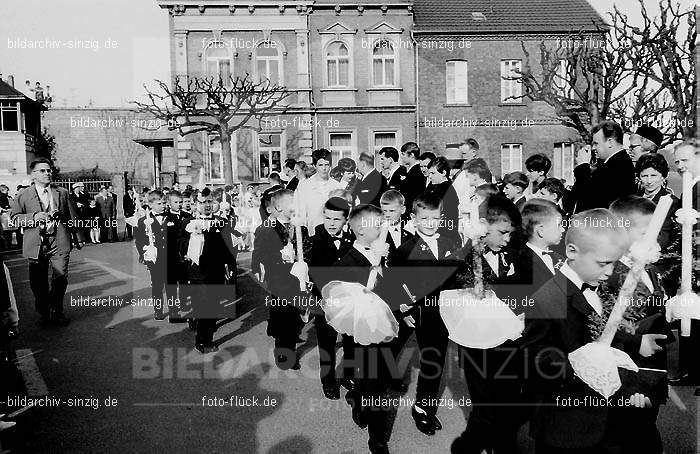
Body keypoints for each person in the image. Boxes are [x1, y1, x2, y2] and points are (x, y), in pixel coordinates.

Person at [520, 208, 653, 453]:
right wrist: (581, 367)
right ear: (572, 251)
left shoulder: (596, 285)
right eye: (603, 263)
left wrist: (635, 341)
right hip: (565, 421)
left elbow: (598, 333)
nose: (610, 272)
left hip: (601, 416)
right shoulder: (547, 298)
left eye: (614, 263)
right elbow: (534, 357)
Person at [450, 194, 523, 454]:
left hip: (510, 341)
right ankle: (469, 446)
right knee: (485, 403)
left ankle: (502, 443)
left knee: (508, 400)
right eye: (502, 232)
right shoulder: (463, 259)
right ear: (482, 225)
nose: (507, 239)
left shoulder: (513, 254)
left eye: (511, 234)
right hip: (478, 347)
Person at [388, 193, 463, 437]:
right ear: (414, 219)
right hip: (415, 312)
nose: (430, 223)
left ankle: (423, 407)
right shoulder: (404, 250)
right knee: (391, 349)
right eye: (424, 218)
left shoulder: (450, 243)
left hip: (441, 313)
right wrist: (403, 308)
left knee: (434, 362)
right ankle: (369, 389)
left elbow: (457, 278)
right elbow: (393, 283)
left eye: (435, 218)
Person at [605, 196, 673, 454]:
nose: (653, 239)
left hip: (652, 369)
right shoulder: (609, 273)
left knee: (644, 428)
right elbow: (603, 323)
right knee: (629, 435)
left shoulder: (647, 266)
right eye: (646, 232)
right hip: (627, 371)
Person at [333, 204, 397, 454]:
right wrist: (375, 265)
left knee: (377, 380)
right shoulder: (347, 262)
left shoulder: (383, 254)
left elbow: (392, 287)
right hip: (361, 333)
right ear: (360, 229)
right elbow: (350, 296)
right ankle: (378, 439)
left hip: (385, 328)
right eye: (377, 224)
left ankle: (359, 398)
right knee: (374, 384)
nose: (383, 228)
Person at [10, 158, 80, 327]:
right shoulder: (23, 195)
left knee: (60, 277)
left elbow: (72, 217)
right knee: (37, 282)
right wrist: (33, 217)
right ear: (33, 174)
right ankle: (44, 312)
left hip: (59, 241)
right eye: (42, 171)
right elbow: (14, 219)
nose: (47, 173)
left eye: (49, 170)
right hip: (36, 244)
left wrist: (79, 238)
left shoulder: (62, 192)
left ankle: (57, 311)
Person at [254, 189, 310, 370]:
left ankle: (289, 345)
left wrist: (304, 262)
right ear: (278, 207)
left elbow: (307, 249)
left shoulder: (300, 226)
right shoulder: (267, 229)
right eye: (291, 203)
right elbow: (263, 255)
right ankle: (283, 353)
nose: (296, 207)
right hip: (280, 281)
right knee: (283, 315)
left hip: (298, 280)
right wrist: (280, 258)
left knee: (295, 317)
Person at [307, 197, 355, 399]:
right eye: (327, 218)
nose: (331, 223)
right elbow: (309, 273)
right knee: (326, 344)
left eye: (337, 219)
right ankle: (328, 380)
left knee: (351, 341)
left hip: (349, 302)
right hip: (323, 302)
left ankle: (348, 375)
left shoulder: (354, 239)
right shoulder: (313, 240)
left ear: (346, 220)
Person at [179, 188, 237, 352]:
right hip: (197, 272)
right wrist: (192, 237)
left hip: (216, 270)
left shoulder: (220, 222)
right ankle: (202, 341)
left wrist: (230, 267)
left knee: (213, 305)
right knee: (204, 305)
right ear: (196, 204)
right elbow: (180, 243)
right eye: (202, 202)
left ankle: (206, 333)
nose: (207, 205)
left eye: (210, 202)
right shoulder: (187, 222)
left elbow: (228, 247)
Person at [133, 190, 180, 321]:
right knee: (157, 286)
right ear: (150, 204)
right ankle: (158, 310)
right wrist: (144, 252)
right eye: (159, 203)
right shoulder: (144, 221)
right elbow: (139, 240)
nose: (163, 206)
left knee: (171, 286)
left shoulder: (172, 218)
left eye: (164, 203)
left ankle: (174, 311)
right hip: (155, 260)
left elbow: (177, 238)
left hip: (170, 258)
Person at [571, 121, 636, 212]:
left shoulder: (617, 167)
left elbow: (589, 200)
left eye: (596, 143)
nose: (593, 148)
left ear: (610, 142)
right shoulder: (615, 163)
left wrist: (583, 167)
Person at [510, 199, 565, 294]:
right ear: (541, 231)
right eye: (559, 225)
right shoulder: (520, 263)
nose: (563, 229)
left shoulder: (559, 258)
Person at [635, 153, 680, 249]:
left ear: (663, 176)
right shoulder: (633, 199)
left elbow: (664, 238)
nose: (649, 181)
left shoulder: (672, 202)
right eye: (644, 176)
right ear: (639, 177)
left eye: (654, 175)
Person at [295, 149, 343, 231]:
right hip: (312, 233)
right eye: (320, 165)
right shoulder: (304, 186)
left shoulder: (337, 186)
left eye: (327, 165)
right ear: (314, 166)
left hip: (333, 233)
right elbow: (300, 213)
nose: (324, 168)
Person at [425, 156, 460, 243]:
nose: (430, 176)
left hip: (445, 235)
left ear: (443, 172)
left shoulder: (447, 190)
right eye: (429, 173)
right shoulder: (433, 186)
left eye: (433, 173)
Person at [380, 190, 413, 258]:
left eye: (392, 211)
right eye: (384, 211)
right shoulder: (375, 235)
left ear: (403, 210)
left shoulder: (409, 236)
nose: (387, 215)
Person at [400, 142, 427, 218]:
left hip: (412, 212)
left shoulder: (417, 172)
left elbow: (413, 195)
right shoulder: (412, 170)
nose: (401, 157)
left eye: (403, 154)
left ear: (412, 155)